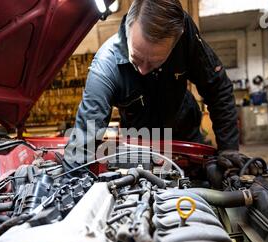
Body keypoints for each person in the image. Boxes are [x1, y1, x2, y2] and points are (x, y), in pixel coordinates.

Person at [63, 0, 243, 174]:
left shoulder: (185, 37)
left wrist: (229, 149)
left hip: (185, 134)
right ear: (128, 29)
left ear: (177, 40)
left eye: (155, 63)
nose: (143, 71)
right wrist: (73, 182)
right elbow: (86, 134)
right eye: (137, 59)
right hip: (139, 142)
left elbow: (218, 88)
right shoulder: (106, 64)